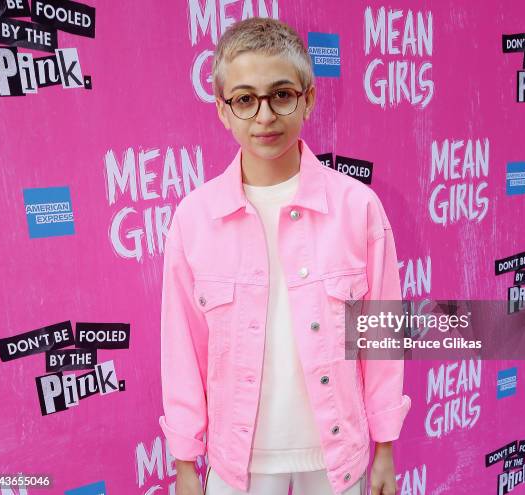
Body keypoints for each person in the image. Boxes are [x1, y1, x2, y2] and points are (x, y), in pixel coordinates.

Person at [159, 17, 411, 495]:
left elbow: (380, 339)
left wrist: (384, 448)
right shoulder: (194, 219)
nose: (264, 116)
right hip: (239, 463)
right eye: (245, 99)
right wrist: (185, 461)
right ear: (222, 109)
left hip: (338, 456)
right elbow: (182, 349)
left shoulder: (357, 209)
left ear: (308, 99)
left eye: (281, 94)